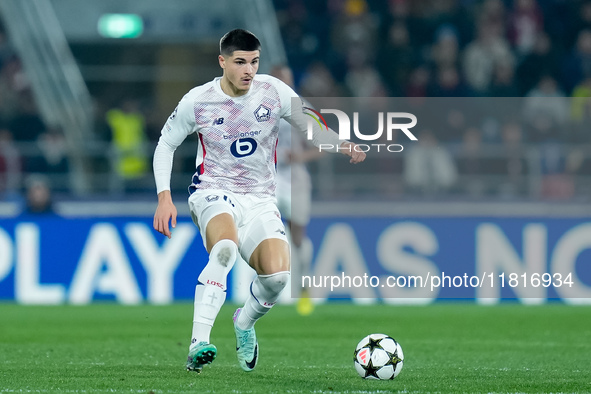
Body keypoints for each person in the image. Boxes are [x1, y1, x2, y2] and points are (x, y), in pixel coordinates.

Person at [152, 29, 365, 374]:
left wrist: (339, 143)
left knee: (278, 277)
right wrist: (164, 197)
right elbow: (165, 145)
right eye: (240, 62)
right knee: (224, 249)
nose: (248, 70)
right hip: (213, 190)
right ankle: (198, 343)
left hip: (260, 198)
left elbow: (308, 120)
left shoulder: (273, 91)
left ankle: (244, 323)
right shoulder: (199, 100)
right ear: (222, 62)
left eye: (254, 62)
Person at [270, 65, 324, 316]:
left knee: (297, 236)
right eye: (280, 79)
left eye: (287, 79)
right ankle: (270, 288)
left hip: (296, 178)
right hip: (269, 178)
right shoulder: (257, 107)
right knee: (266, 231)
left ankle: (304, 288)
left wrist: (300, 155)